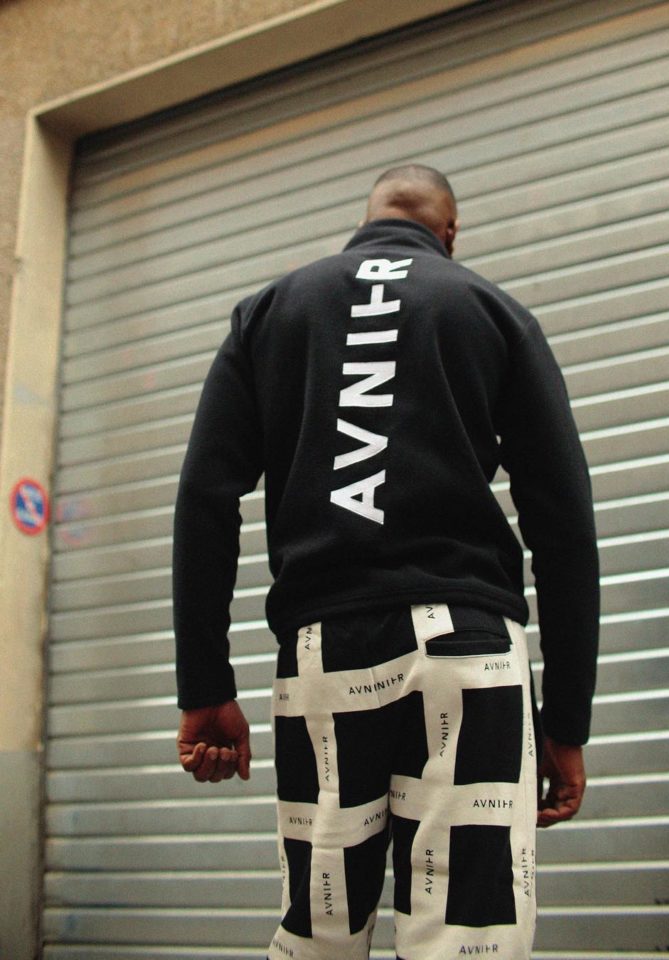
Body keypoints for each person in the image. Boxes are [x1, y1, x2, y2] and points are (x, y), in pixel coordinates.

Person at [174, 164, 600, 960]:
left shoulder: (270, 313)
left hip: (326, 655)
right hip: (470, 654)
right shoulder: (491, 310)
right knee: (467, 938)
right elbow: (565, 523)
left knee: (322, 934)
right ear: (449, 232)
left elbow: (205, 496)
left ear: (366, 219)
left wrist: (204, 687)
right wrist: (566, 722)